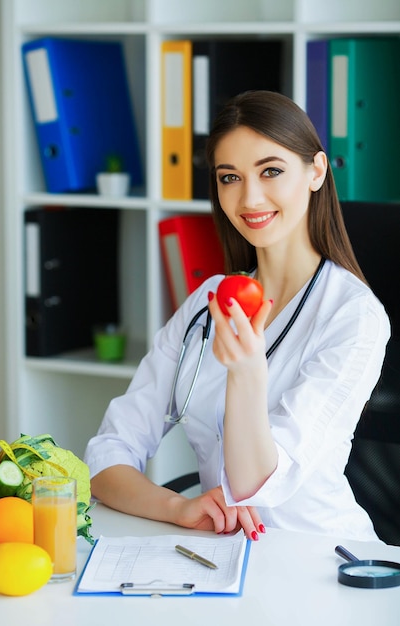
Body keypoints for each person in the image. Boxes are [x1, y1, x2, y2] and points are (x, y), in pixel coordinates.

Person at [85, 90, 390, 542]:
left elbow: (258, 487)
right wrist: (178, 507)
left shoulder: (353, 316)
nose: (249, 198)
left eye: (270, 171)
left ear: (316, 171)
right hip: (219, 551)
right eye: (230, 177)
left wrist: (247, 372)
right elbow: (105, 456)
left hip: (319, 555)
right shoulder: (206, 302)